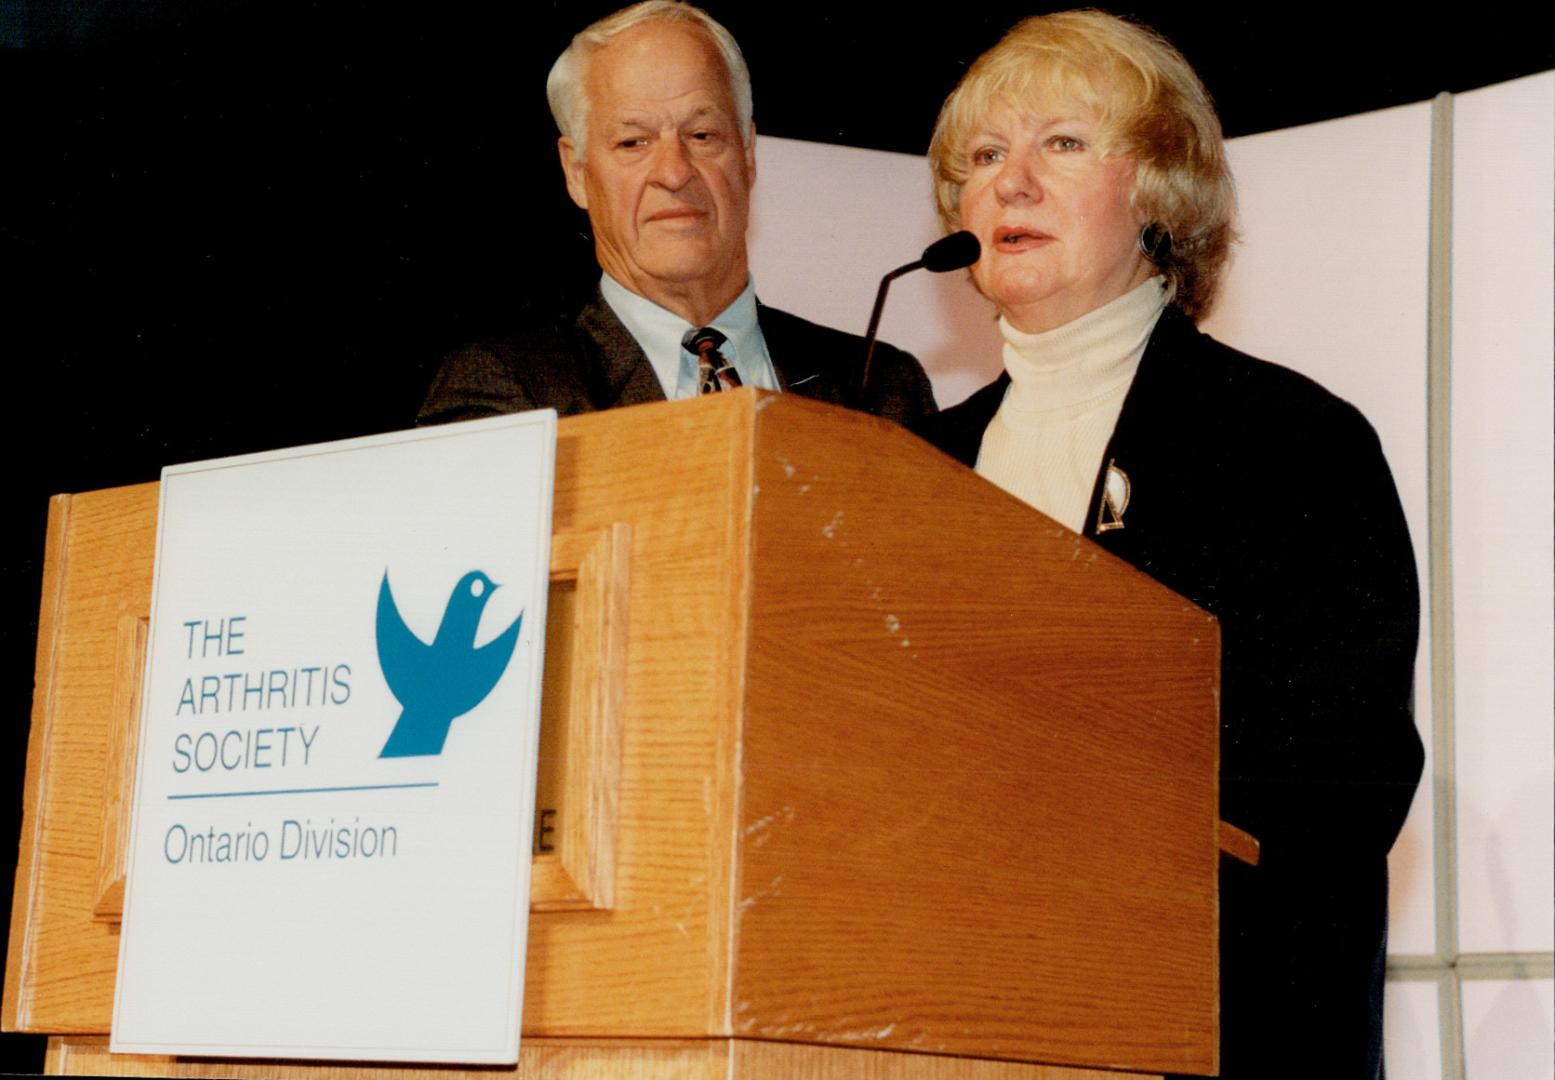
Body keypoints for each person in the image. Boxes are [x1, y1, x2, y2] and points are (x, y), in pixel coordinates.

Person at [912, 12, 1422, 1078]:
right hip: (953, 1015)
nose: (1010, 183)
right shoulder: (915, 472)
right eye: (984, 155)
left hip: (1217, 1023)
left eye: (1061, 143)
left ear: (1160, 191)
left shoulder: (1290, 443)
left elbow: (1341, 783)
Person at [419, 1, 934, 426]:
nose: (674, 171)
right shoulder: (513, 392)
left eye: (702, 135)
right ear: (576, 173)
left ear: (749, 155)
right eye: (633, 141)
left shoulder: (882, 386)